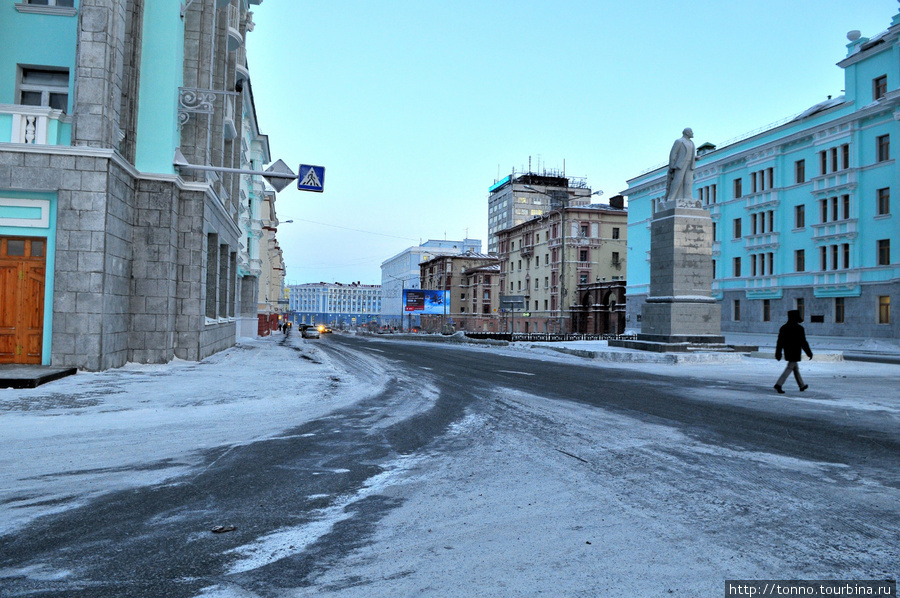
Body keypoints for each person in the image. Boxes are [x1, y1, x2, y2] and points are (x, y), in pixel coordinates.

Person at [774, 309, 813, 393]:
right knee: (790, 368)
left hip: (787, 351)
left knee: (795, 368)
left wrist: (778, 353)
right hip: (795, 351)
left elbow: (780, 342)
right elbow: (803, 342)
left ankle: (801, 385)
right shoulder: (799, 329)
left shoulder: (783, 328)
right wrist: (809, 353)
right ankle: (779, 384)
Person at [665, 128, 696, 201]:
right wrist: (672, 165)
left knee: (688, 181)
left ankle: (687, 197)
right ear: (687, 133)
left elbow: (689, 153)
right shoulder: (679, 141)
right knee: (677, 180)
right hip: (680, 164)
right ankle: (671, 197)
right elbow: (673, 153)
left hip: (690, 164)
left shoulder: (691, 143)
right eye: (691, 131)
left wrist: (695, 158)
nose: (692, 133)